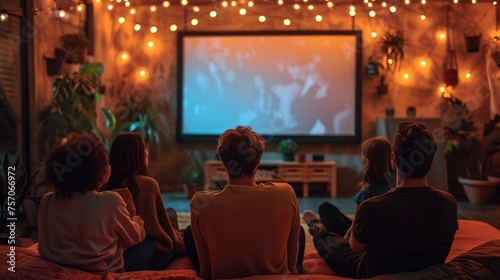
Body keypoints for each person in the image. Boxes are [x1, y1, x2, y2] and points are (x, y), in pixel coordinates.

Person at [308, 121, 458, 278]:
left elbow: (355, 248)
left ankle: (319, 229)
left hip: (368, 270)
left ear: (393, 158)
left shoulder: (371, 206)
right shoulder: (448, 202)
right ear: (430, 160)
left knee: (325, 239)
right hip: (428, 268)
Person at [184, 126, 304, 279]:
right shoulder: (285, 193)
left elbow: (206, 271)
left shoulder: (201, 203)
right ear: (258, 161)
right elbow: (292, 267)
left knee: (189, 232)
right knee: (298, 230)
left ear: (223, 161)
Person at [38, 134, 145, 274]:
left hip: (57, 265)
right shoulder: (111, 200)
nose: (109, 167)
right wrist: (134, 215)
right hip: (102, 270)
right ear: (96, 171)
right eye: (105, 163)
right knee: (153, 244)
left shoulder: (47, 200)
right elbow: (136, 237)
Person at [104, 132, 185, 270]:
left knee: (170, 213)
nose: (147, 152)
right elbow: (163, 228)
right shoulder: (148, 184)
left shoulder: (105, 184)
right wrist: (179, 245)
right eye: (144, 149)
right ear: (137, 155)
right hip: (144, 248)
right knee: (170, 217)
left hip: (114, 246)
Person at [304, 136, 395, 239]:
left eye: (363, 155)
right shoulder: (397, 183)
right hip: (382, 236)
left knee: (322, 210)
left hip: (362, 241)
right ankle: (321, 228)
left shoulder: (367, 194)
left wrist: (342, 243)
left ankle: (322, 233)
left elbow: (355, 228)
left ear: (368, 161)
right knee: (326, 208)